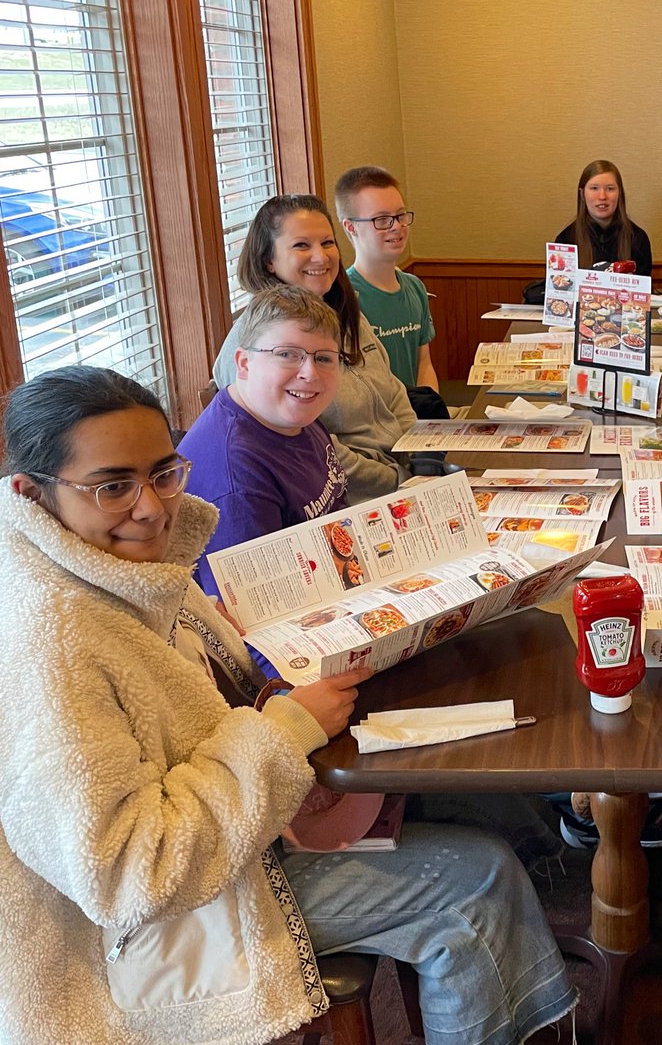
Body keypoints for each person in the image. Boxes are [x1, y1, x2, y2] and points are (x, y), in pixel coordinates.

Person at [0, 365, 575, 1045]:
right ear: (30, 493)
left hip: (236, 832)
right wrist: (284, 731)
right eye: (113, 486)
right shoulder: (54, 642)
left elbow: (206, 689)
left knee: (486, 795)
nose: (152, 507)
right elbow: (130, 878)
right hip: (152, 929)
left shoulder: (118, 566)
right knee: (476, 881)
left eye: (163, 472)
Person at [211, 193, 417, 503]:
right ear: (269, 260)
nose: (320, 257)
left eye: (328, 243)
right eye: (301, 246)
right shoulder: (256, 345)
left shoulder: (341, 309)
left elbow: (392, 388)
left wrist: (420, 450)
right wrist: (399, 480)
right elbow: (309, 450)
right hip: (350, 498)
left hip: (404, 471)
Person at [181, 284, 348, 598]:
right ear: (244, 363)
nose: (310, 373)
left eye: (324, 358)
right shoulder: (235, 478)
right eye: (287, 354)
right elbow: (254, 620)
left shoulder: (290, 413)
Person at [333, 166, 442, 402]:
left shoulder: (415, 288)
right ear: (350, 227)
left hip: (417, 424)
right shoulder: (342, 298)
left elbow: (424, 365)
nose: (397, 226)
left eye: (401, 215)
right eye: (382, 219)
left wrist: (430, 415)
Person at [555, 159, 653, 276]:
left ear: (619, 193)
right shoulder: (565, 241)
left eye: (610, 189)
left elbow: (644, 290)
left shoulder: (638, 239)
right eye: (594, 188)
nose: (602, 196)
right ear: (582, 194)